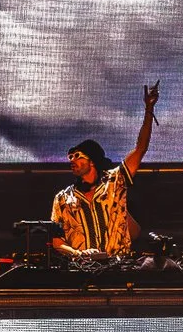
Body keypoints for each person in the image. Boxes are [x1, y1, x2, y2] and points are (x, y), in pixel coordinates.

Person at [51, 82, 159, 260]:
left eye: (77, 156)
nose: (72, 160)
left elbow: (140, 149)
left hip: (117, 265)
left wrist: (149, 110)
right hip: (82, 267)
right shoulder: (63, 198)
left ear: (92, 161)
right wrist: (78, 254)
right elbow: (57, 242)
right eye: (70, 157)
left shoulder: (115, 181)